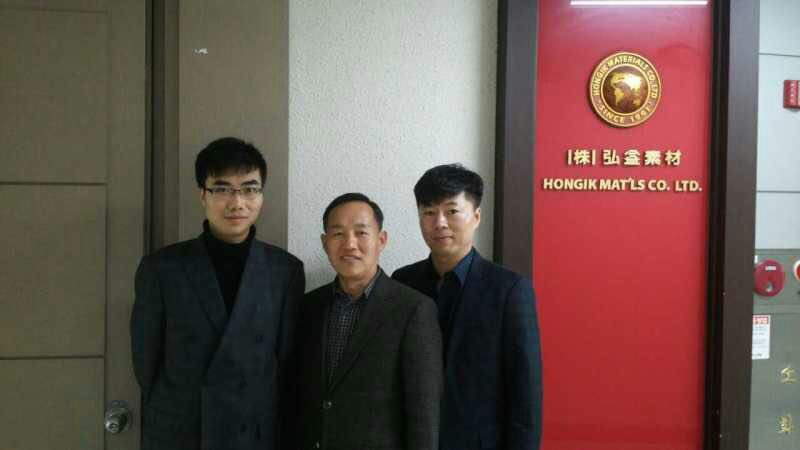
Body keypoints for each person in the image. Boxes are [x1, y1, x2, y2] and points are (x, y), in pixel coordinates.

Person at [130, 137, 305, 450]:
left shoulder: (285, 271)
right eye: (222, 189)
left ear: (262, 195)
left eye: (250, 189)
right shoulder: (162, 268)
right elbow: (146, 363)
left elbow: (285, 364)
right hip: (183, 432)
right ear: (203, 194)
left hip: (253, 434)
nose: (237, 203)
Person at [392, 164, 543, 450]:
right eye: (428, 212)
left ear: (476, 217)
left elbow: (525, 393)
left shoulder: (509, 290)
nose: (439, 223)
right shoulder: (402, 282)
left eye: (452, 211)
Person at [293, 193, 442, 450]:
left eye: (361, 233)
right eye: (338, 234)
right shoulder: (308, 306)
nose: (350, 244)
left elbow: (424, 412)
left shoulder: (413, 309)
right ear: (325, 243)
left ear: (381, 240)